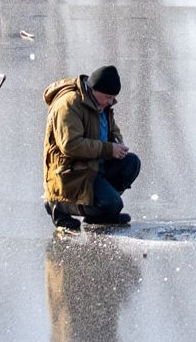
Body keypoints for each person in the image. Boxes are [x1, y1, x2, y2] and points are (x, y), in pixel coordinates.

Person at [42, 65, 141, 230]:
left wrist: (118, 144)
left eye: (113, 98)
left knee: (131, 163)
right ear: (94, 89)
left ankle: (99, 213)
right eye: (108, 97)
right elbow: (70, 145)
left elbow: (113, 130)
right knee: (113, 205)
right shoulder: (69, 104)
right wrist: (109, 149)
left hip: (93, 168)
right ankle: (58, 205)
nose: (111, 102)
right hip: (71, 174)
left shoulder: (102, 103)